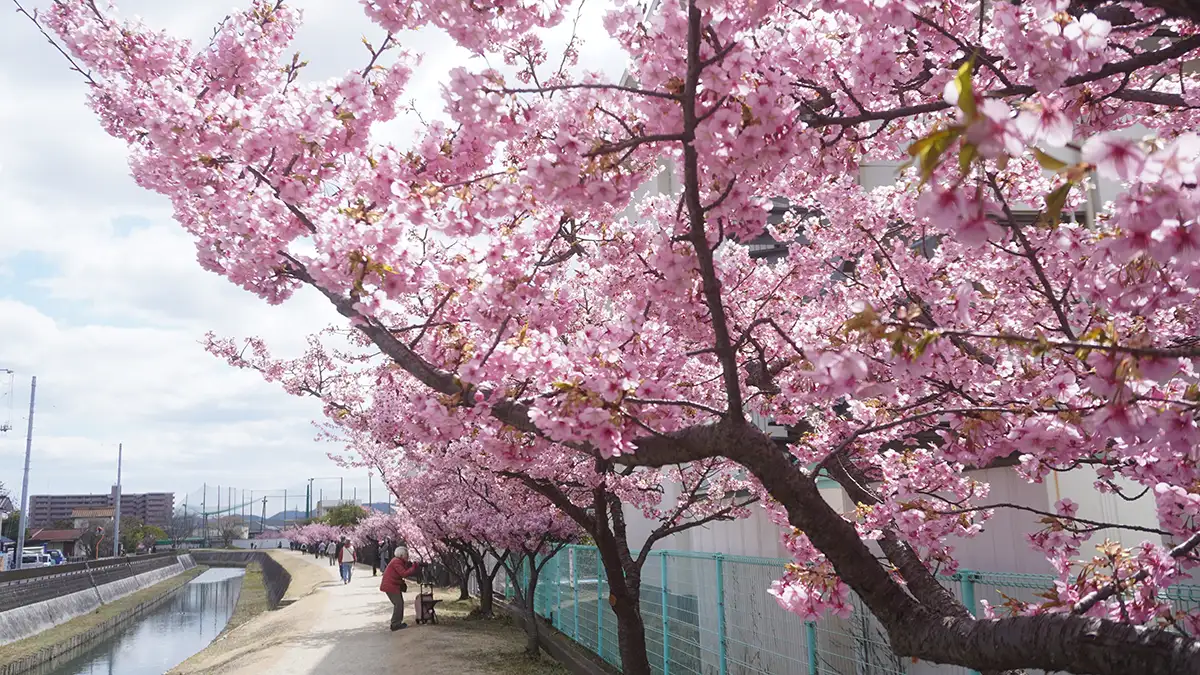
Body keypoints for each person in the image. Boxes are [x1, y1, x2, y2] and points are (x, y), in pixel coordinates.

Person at [380, 546, 420, 630]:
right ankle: (395, 624)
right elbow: (404, 573)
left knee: (399, 604)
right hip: (391, 586)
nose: (407, 556)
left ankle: (396, 623)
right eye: (406, 555)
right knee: (398, 604)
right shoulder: (396, 562)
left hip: (392, 585)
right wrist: (413, 567)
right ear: (401, 555)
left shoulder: (398, 561)